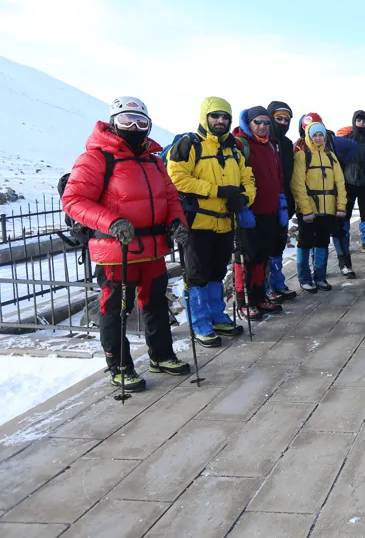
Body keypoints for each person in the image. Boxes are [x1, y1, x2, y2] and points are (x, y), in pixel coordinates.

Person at [62, 97, 191, 390]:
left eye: (141, 122)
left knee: (156, 303)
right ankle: (119, 366)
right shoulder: (96, 158)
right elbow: (73, 200)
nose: (134, 127)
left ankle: (161, 355)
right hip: (116, 249)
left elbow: (171, 199)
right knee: (116, 309)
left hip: (153, 248)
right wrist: (111, 222)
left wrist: (177, 223)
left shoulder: (154, 162)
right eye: (126, 121)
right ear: (112, 123)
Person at [167, 97, 254, 343]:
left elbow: (248, 178)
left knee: (217, 271)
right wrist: (217, 191)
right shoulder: (189, 145)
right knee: (197, 275)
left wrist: (245, 198)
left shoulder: (234, 149)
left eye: (225, 116)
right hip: (198, 223)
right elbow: (176, 178)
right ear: (205, 116)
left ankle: (217, 316)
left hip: (226, 222)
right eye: (215, 115)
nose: (220, 120)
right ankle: (200, 324)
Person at [231, 106, 285, 318]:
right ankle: (244, 300)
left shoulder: (270, 145)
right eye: (258, 122)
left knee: (262, 256)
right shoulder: (240, 144)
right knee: (246, 257)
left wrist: (281, 202)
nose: (262, 126)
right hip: (250, 212)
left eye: (266, 122)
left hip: (269, 210)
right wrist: (243, 207)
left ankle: (260, 297)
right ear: (249, 123)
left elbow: (278, 176)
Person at [291, 121, 347, 292]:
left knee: (322, 243)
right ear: (309, 136)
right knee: (305, 244)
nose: (318, 138)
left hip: (328, 209)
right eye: (314, 135)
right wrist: (305, 209)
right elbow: (297, 184)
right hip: (309, 209)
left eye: (320, 135)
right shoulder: (302, 156)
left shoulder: (330, 156)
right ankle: (304, 278)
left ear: (325, 137)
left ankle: (320, 277)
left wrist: (341, 206)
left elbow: (340, 182)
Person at [265, 100, 298, 300]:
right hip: (264, 202)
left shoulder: (286, 144)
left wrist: (291, 199)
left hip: (283, 201)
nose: (283, 122)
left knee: (279, 242)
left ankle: (278, 282)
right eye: (279, 118)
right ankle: (265, 286)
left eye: (287, 119)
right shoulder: (261, 141)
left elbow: (290, 174)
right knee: (265, 245)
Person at [324, 129, 359, 279]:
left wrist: (342, 161)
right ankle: (319, 268)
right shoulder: (302, 147)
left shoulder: (334, 142)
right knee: (319, 232)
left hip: (339, 191)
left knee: (341, 228)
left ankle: (345, 264)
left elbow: (354, 146)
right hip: (317, 196)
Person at [343, 110, 365, 255]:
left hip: (364, 183)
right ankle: (344, 241)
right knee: (345, 214)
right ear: (354, 121)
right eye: (359, 120)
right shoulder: (347, 138)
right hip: (348, 181)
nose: (361, 123)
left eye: (364, 120)